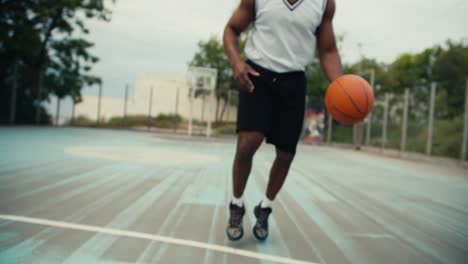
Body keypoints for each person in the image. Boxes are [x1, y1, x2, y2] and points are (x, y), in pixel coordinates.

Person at [223, 0, 343, 241]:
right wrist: (237, 62)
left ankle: (264, 208)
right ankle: (236, 205)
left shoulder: (324, 3)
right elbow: (231, 30)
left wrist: (341, 87)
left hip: (294, 81)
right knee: (248, 143)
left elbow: (328, 50)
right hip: (257, 74)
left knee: (286, 153)